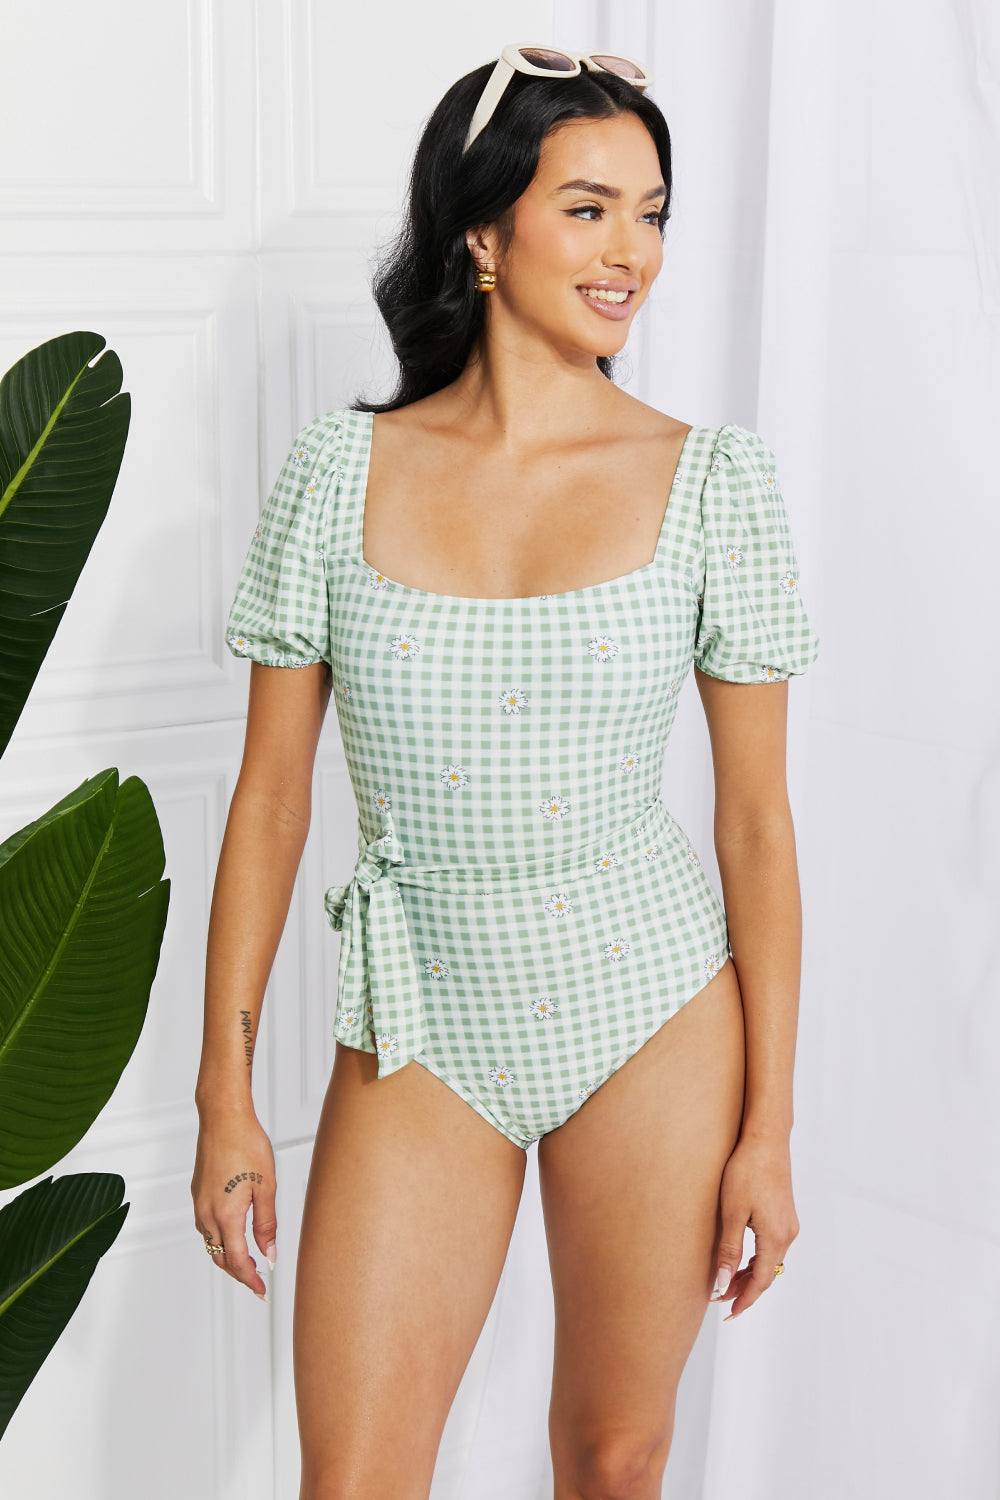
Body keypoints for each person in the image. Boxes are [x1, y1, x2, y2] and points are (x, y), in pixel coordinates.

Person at [191, 44, 820, 1500]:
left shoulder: (716, 481)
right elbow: (271, 803)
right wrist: (227, 1096)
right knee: (354, 1477)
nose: (630, 253)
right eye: (588, 209)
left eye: (651, 214)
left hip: (651, 1007)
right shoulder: (338, 475)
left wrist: (770, 1131)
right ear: (482, 232)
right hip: (421, 1025)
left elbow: (755, 827)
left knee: (613, 1456)